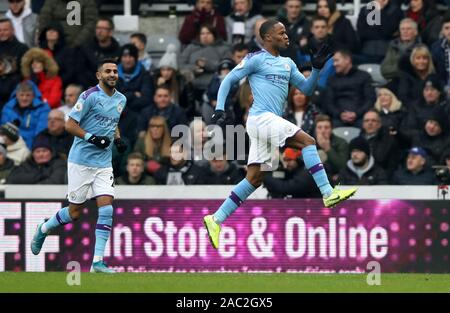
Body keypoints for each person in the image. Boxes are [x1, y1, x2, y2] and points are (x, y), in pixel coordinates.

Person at [203, 19, 357, 249]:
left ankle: (215, 219)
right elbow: (229, 80)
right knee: (308, 141)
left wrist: (315, 69)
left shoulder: (287, 63)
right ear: (267, 38)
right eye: (281, 33)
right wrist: (219, 109)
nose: (286, 36)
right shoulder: (255, 58)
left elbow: (306, 89)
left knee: (254, 179)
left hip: (266, 122)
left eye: (286, 32)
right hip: (260, 118)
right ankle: (327, 192)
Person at [30, 58, 128, 274]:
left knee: (107, 208)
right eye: (108, 71)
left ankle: (97, 263)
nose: (112, 74)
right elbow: (69, 124)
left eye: (115, 71)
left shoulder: (121, 99)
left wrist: (118, 139)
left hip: (103, 163)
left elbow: (113, 122)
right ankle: (44, 228)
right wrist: (92, 138)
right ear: (98, 75)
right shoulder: (89, 96)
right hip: (81, 162)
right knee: (75, 213)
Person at [321, 49, 376, 127]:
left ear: (347, 60)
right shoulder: (331, 80)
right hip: (337, 118)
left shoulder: (364, 76)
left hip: (360, 116)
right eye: (333, 61)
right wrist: (340, 114)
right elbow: (328, 102)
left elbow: (370, 99)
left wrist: (356, 113)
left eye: (337, 60)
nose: (334, 64)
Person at [1, 81, 50, 149]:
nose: (24, 98)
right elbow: (4, 129)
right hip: (10, 144)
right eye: (21, 95)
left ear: (33, 96)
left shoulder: (43, 108)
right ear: (17, 95)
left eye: (28, 95)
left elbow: (40, 132)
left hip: (31, 145)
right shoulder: (8, 107)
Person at [77, 17, 121, 89]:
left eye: (103, 28)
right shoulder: (87, 49)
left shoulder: (118, 51)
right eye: (98, 28)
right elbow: (81, 72)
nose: (99, 31)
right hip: (89, 88)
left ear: (110, 32)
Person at [360, 110, 400, 175]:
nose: (370, 123)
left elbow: (391, 167)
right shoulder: (356, 141)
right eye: (367, 120)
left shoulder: (389, 142)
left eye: (373, 120)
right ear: (363, 124)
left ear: (379, 124)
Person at [38, 21, 76, 87]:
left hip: (61, 85)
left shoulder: (68, 51)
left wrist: (56, 83)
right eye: (48, 30)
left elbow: (70, 73)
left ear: (59, 33)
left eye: (54, 30)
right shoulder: (40, 51)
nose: (50, 32)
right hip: (42, 85)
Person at [431, 12, 450, 90]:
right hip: (445, 88)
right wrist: (445, 88)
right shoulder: (436, 47)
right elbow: (436, 74)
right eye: (446, 28)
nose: (449, 31)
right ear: (442, 31)